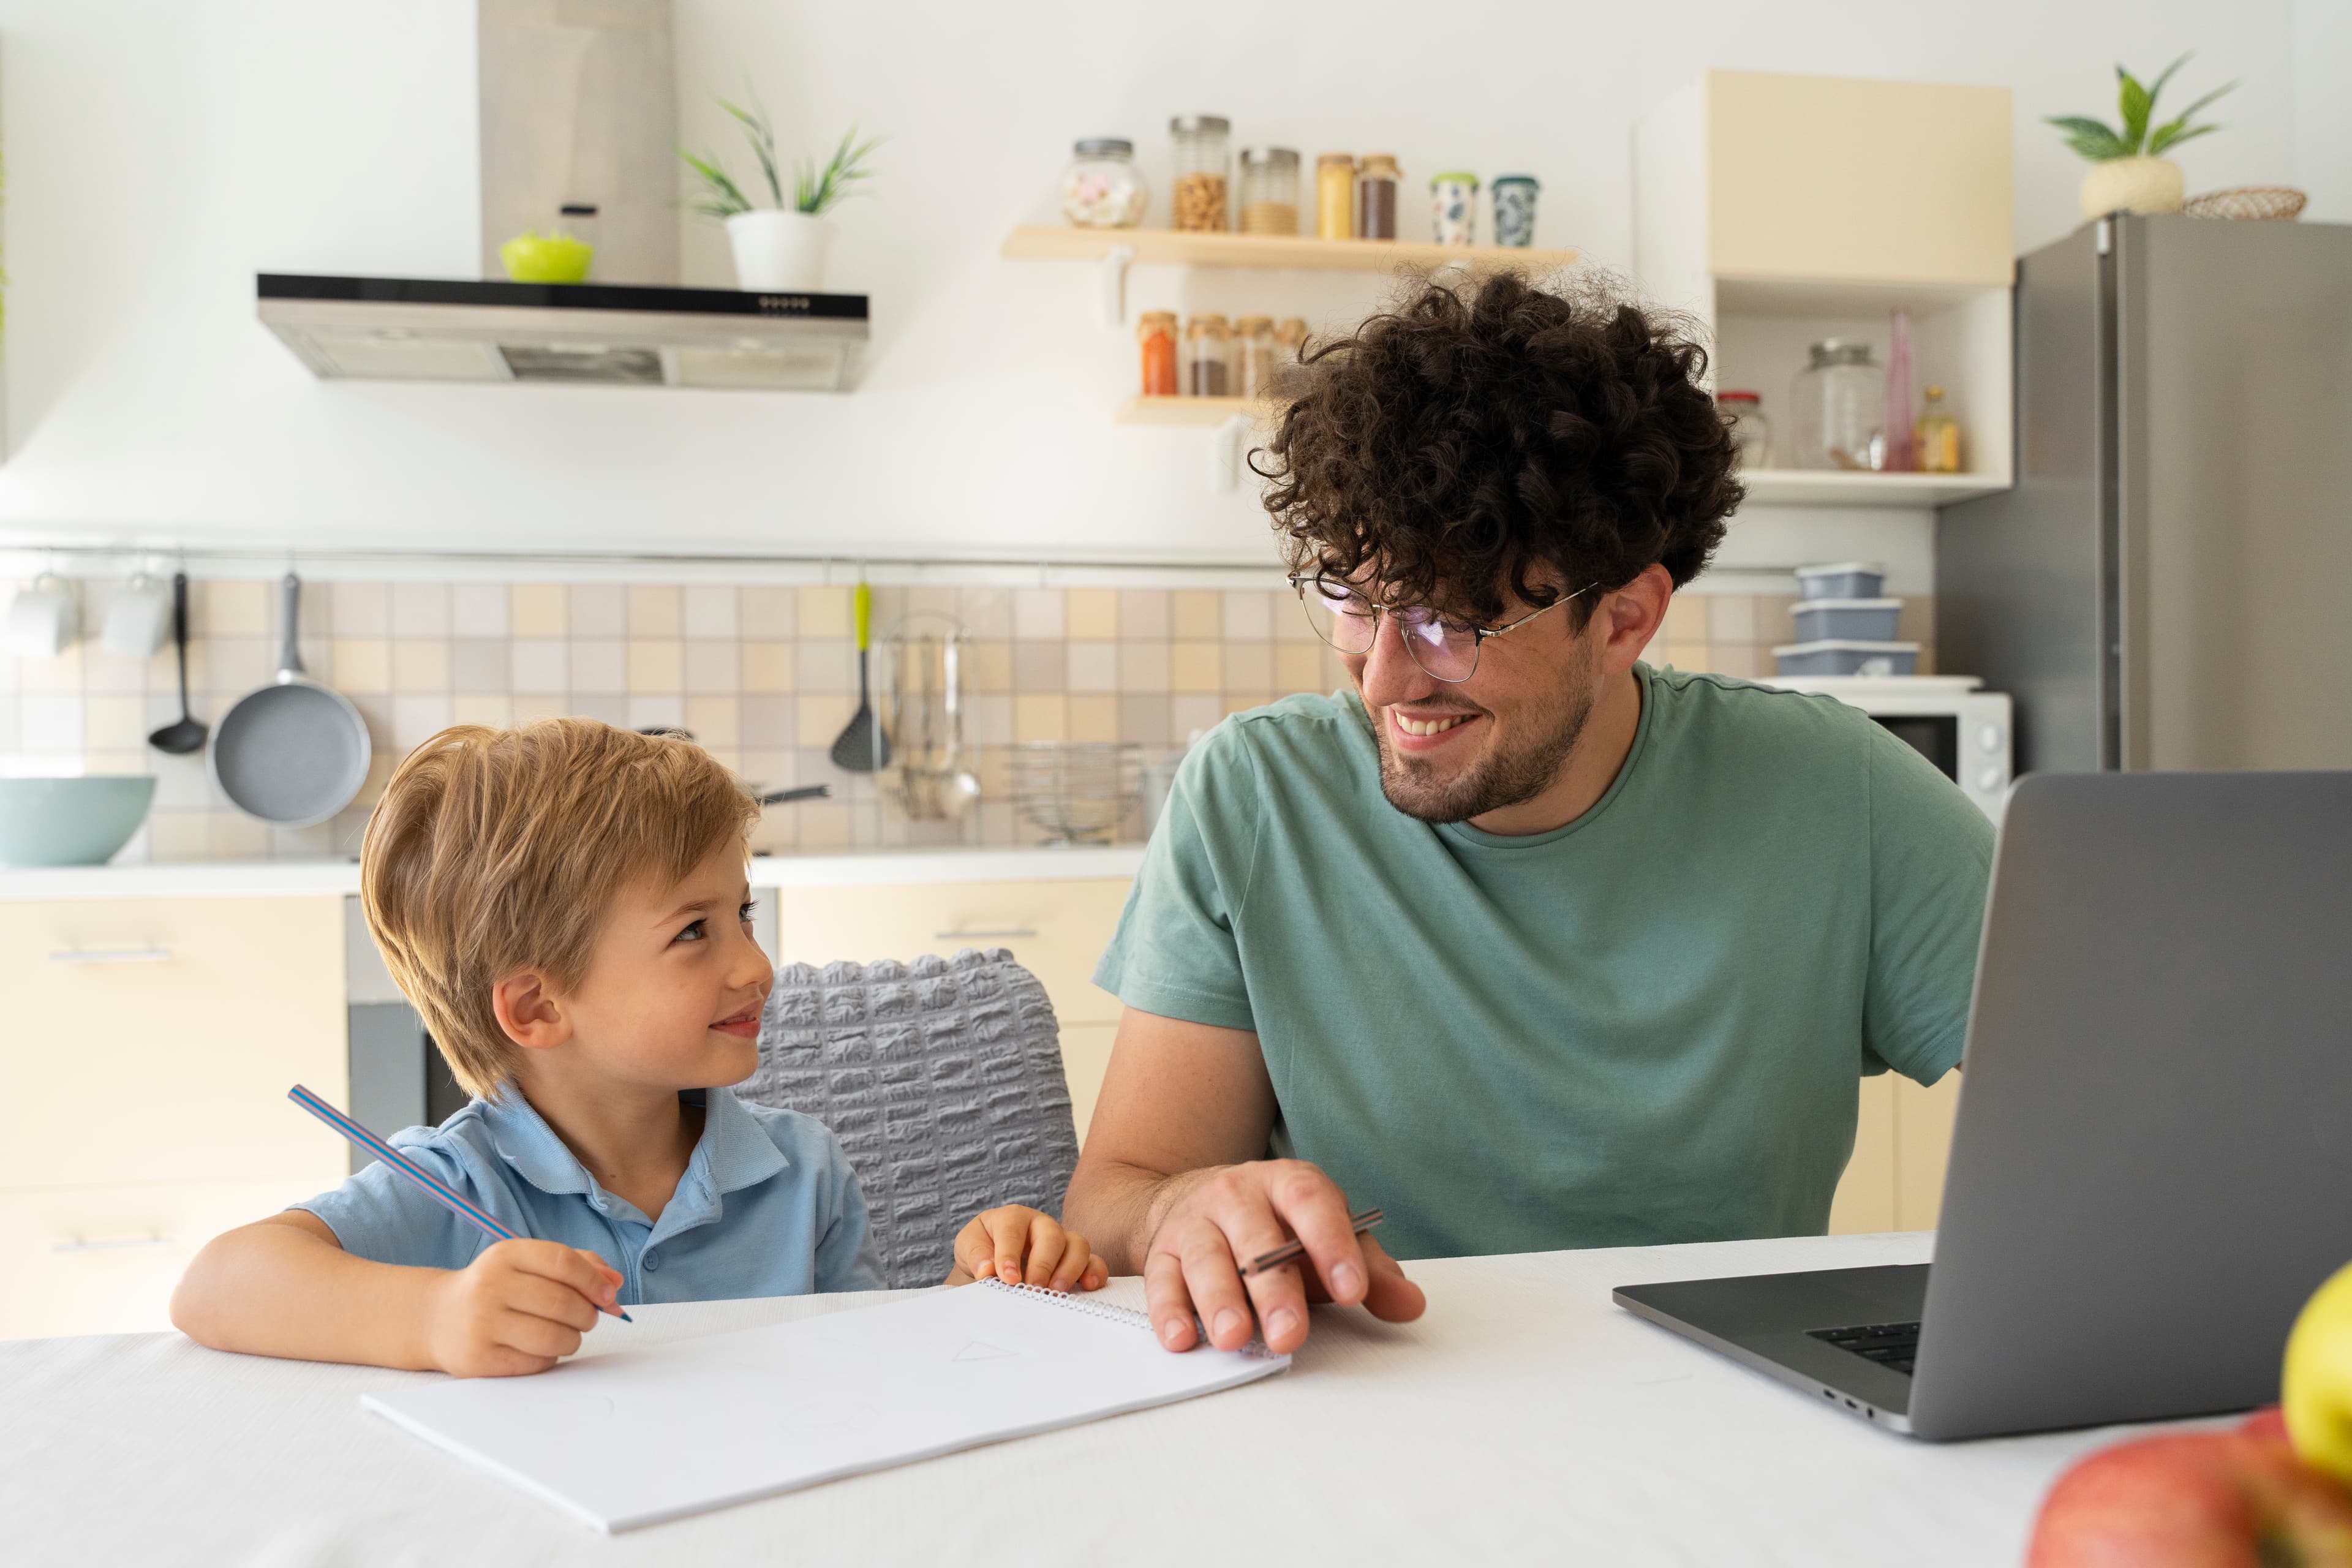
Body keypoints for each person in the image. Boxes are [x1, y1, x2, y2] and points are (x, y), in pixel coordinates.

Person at [1063, 273, 1995, 1358]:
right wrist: (1184, 1210)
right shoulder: (1257, 796)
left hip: (1728, 1412)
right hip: (1363, 1404)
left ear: (1625, 617)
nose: (1382, 682)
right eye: (1356, 604)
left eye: (1449, 623)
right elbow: (1116, 1197)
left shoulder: (1840, 795)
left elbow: (2124, 1100)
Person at [173, 720, 1102, 1377]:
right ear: (537, 1007)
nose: (756, 966)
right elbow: (215, 1287)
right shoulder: (452, 1187)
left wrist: (978, 1285)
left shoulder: (801, 1170)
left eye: (741, 914)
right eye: (695, 932)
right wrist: (436, 1318)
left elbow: (862, 1371)